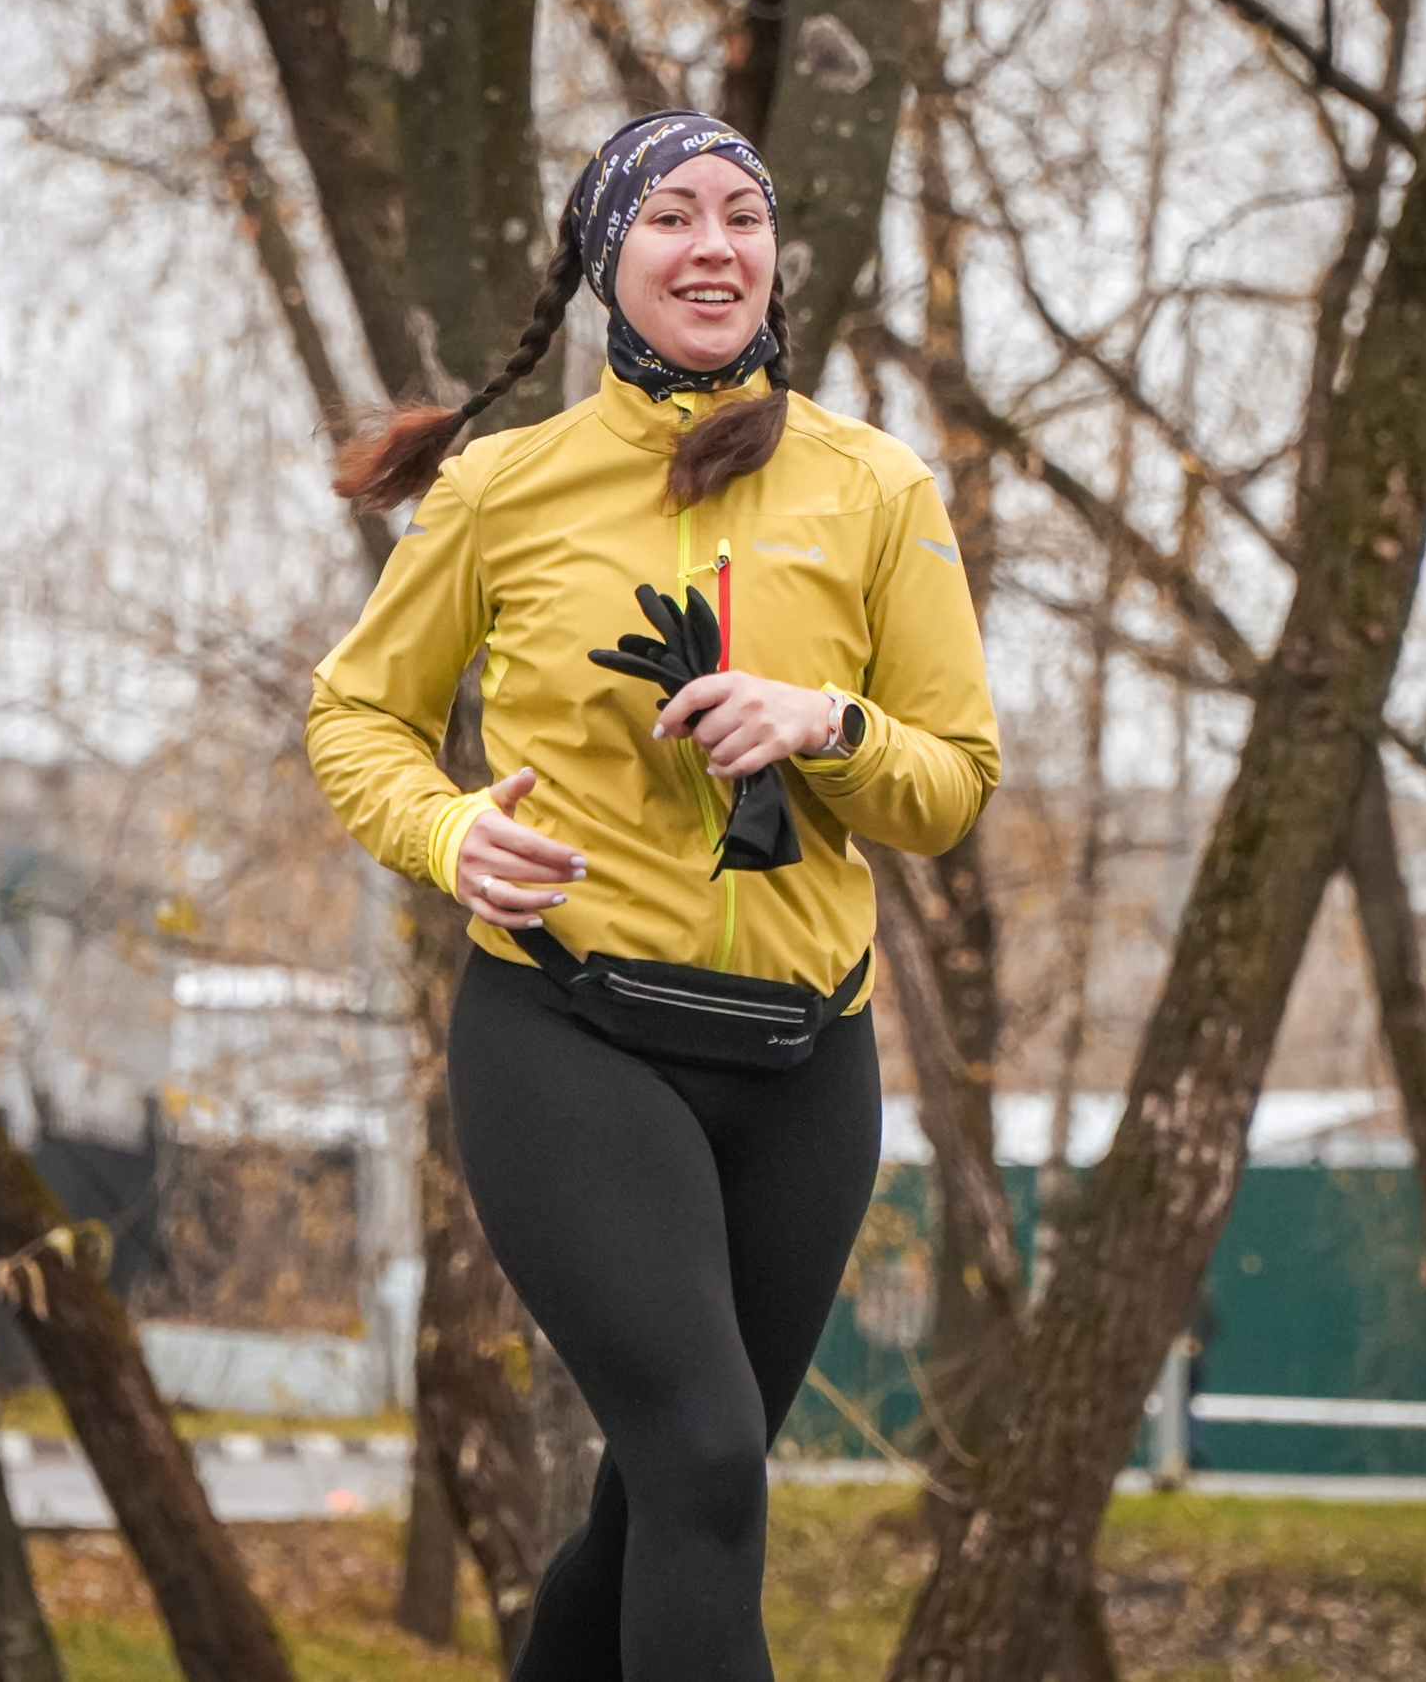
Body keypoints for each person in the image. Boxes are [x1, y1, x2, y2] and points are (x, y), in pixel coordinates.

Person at [305, 109, 1000, 1682]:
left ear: (774, 258)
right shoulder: (504, 489)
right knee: (704, 1457)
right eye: (672, 215)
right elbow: (357, 715)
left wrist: (828, 722)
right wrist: (444, 831)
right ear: (604, 257)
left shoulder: (877, 487)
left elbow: (952, 783)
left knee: (664, 1502)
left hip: (806, 1060)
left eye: (741, 216)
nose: (713, 246)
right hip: (572, 1034)